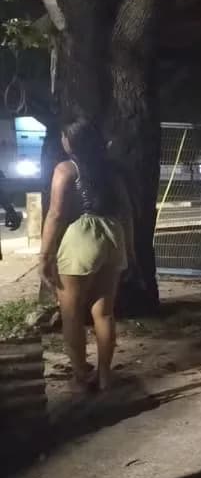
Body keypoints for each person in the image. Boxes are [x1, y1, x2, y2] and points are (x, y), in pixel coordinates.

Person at [39, 119, 134, 392]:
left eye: (64, 136)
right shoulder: (112, 170)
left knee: (71, 313)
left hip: (83, 235)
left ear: (72, 142)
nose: (62, 140)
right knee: (104, 313)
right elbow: (127, 211)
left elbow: (56, 214)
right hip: (113, 235)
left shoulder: (66, 169)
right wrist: (131, 249)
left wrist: (45, 256)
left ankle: (80, 375)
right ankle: (105, 376)